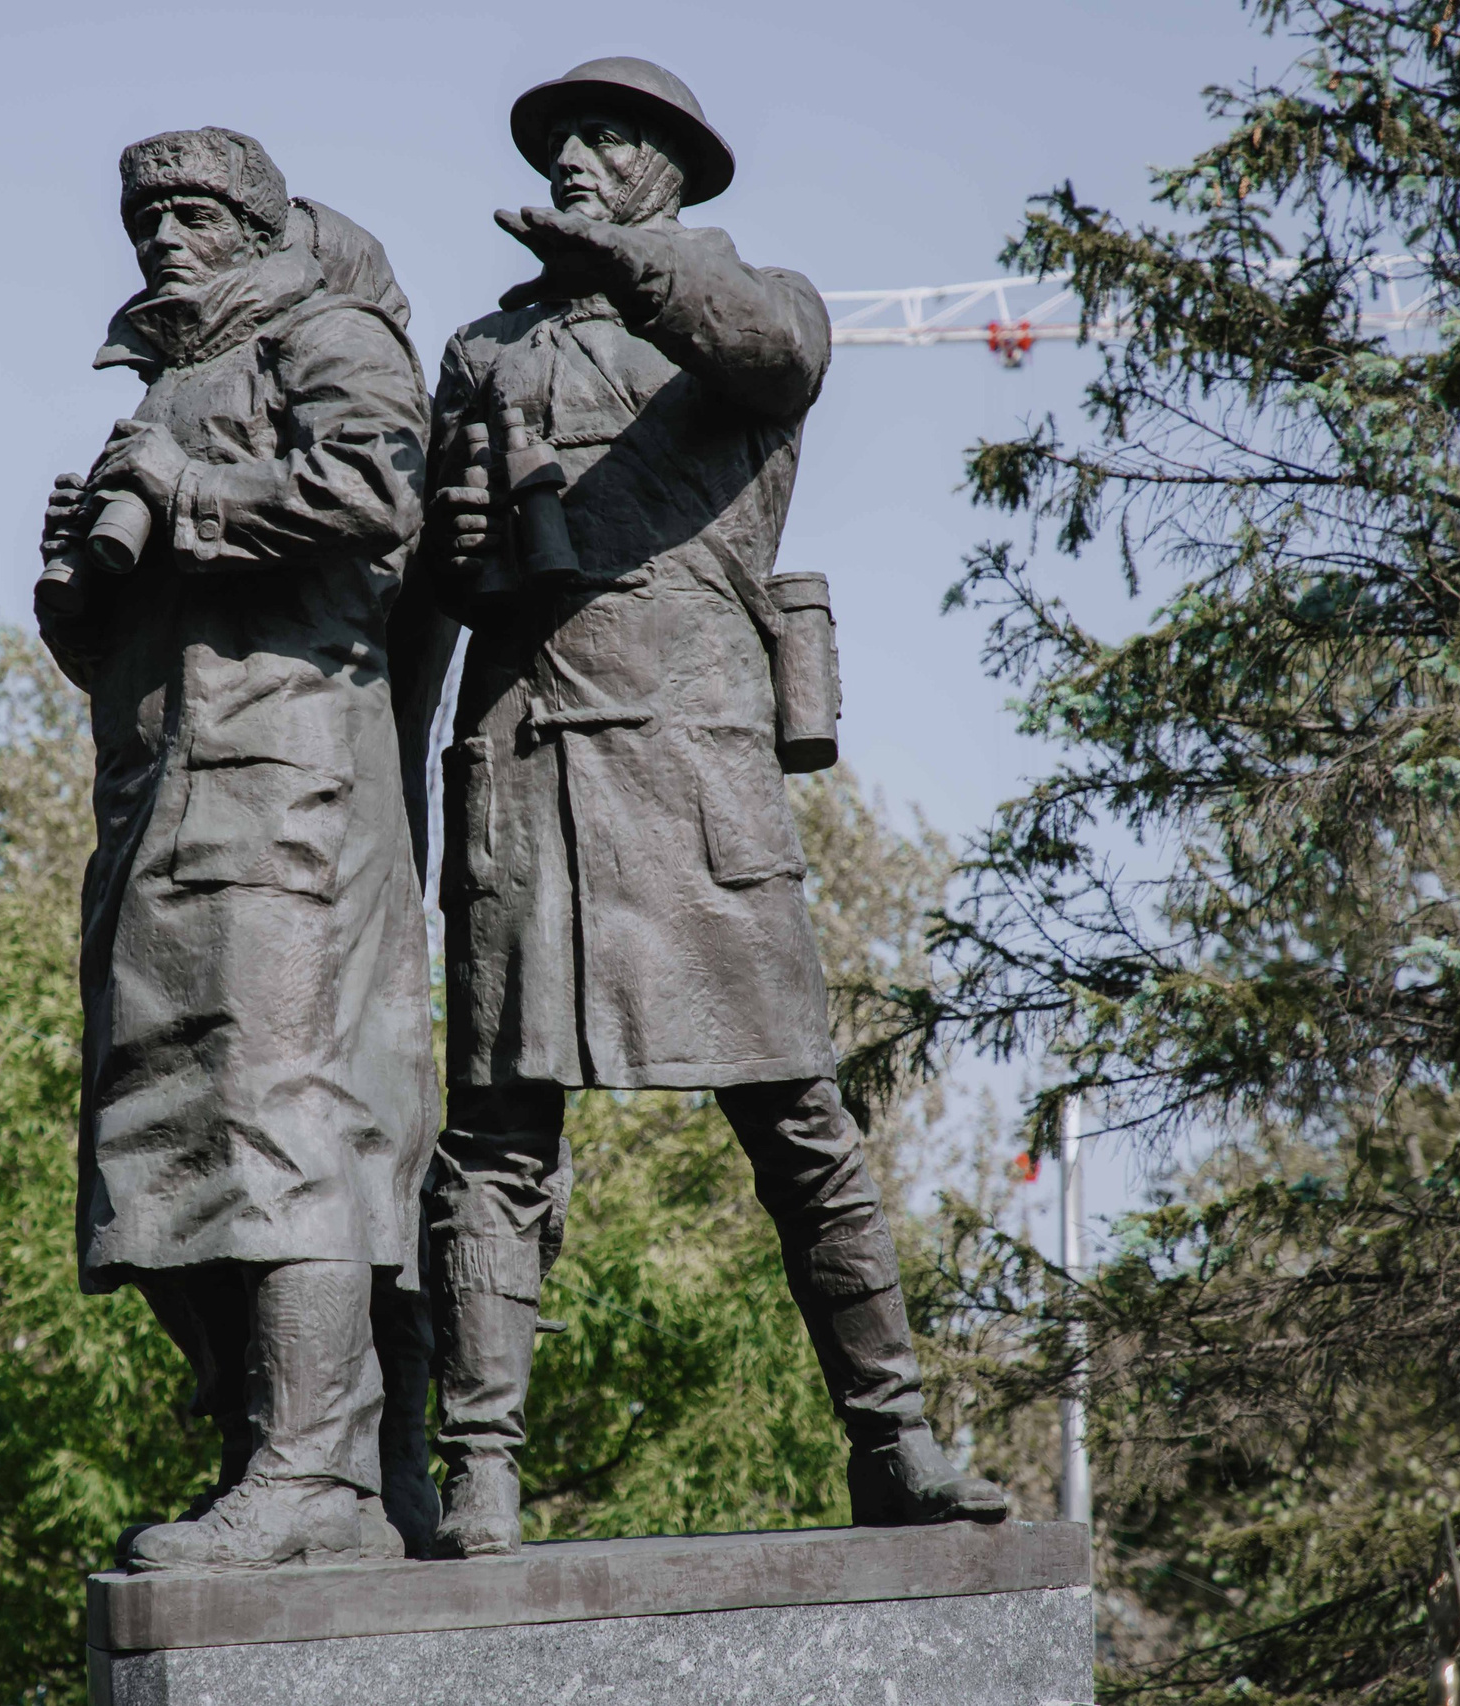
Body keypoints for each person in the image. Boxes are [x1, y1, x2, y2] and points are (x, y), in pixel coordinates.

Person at [411, 59, 1010, 1558]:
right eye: (560, 141)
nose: (574, 157)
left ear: (673, 170)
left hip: (695, 770)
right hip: (533, 761)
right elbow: (421, 587)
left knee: (802, 1119)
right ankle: (478, 1464)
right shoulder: (485, 348)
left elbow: (780, 355)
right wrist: (458, 545)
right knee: (495, 1134)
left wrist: (632, 268)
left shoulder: (748, 308)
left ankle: (895, 1440)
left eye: (607, 140)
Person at [35, 126, 436, 1572]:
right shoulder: (161, 385)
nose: (164, 237)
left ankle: (314, 1474)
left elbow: (374, 490)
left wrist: (185, 494)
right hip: (157, 793)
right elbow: (106, 632)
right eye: (147, 216)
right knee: (154, 1138)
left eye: (197, 212)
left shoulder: (327, 337)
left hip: (290, 788)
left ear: (261, 225)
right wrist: (82, 566)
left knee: (285, 1118)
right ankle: (293, 1448)